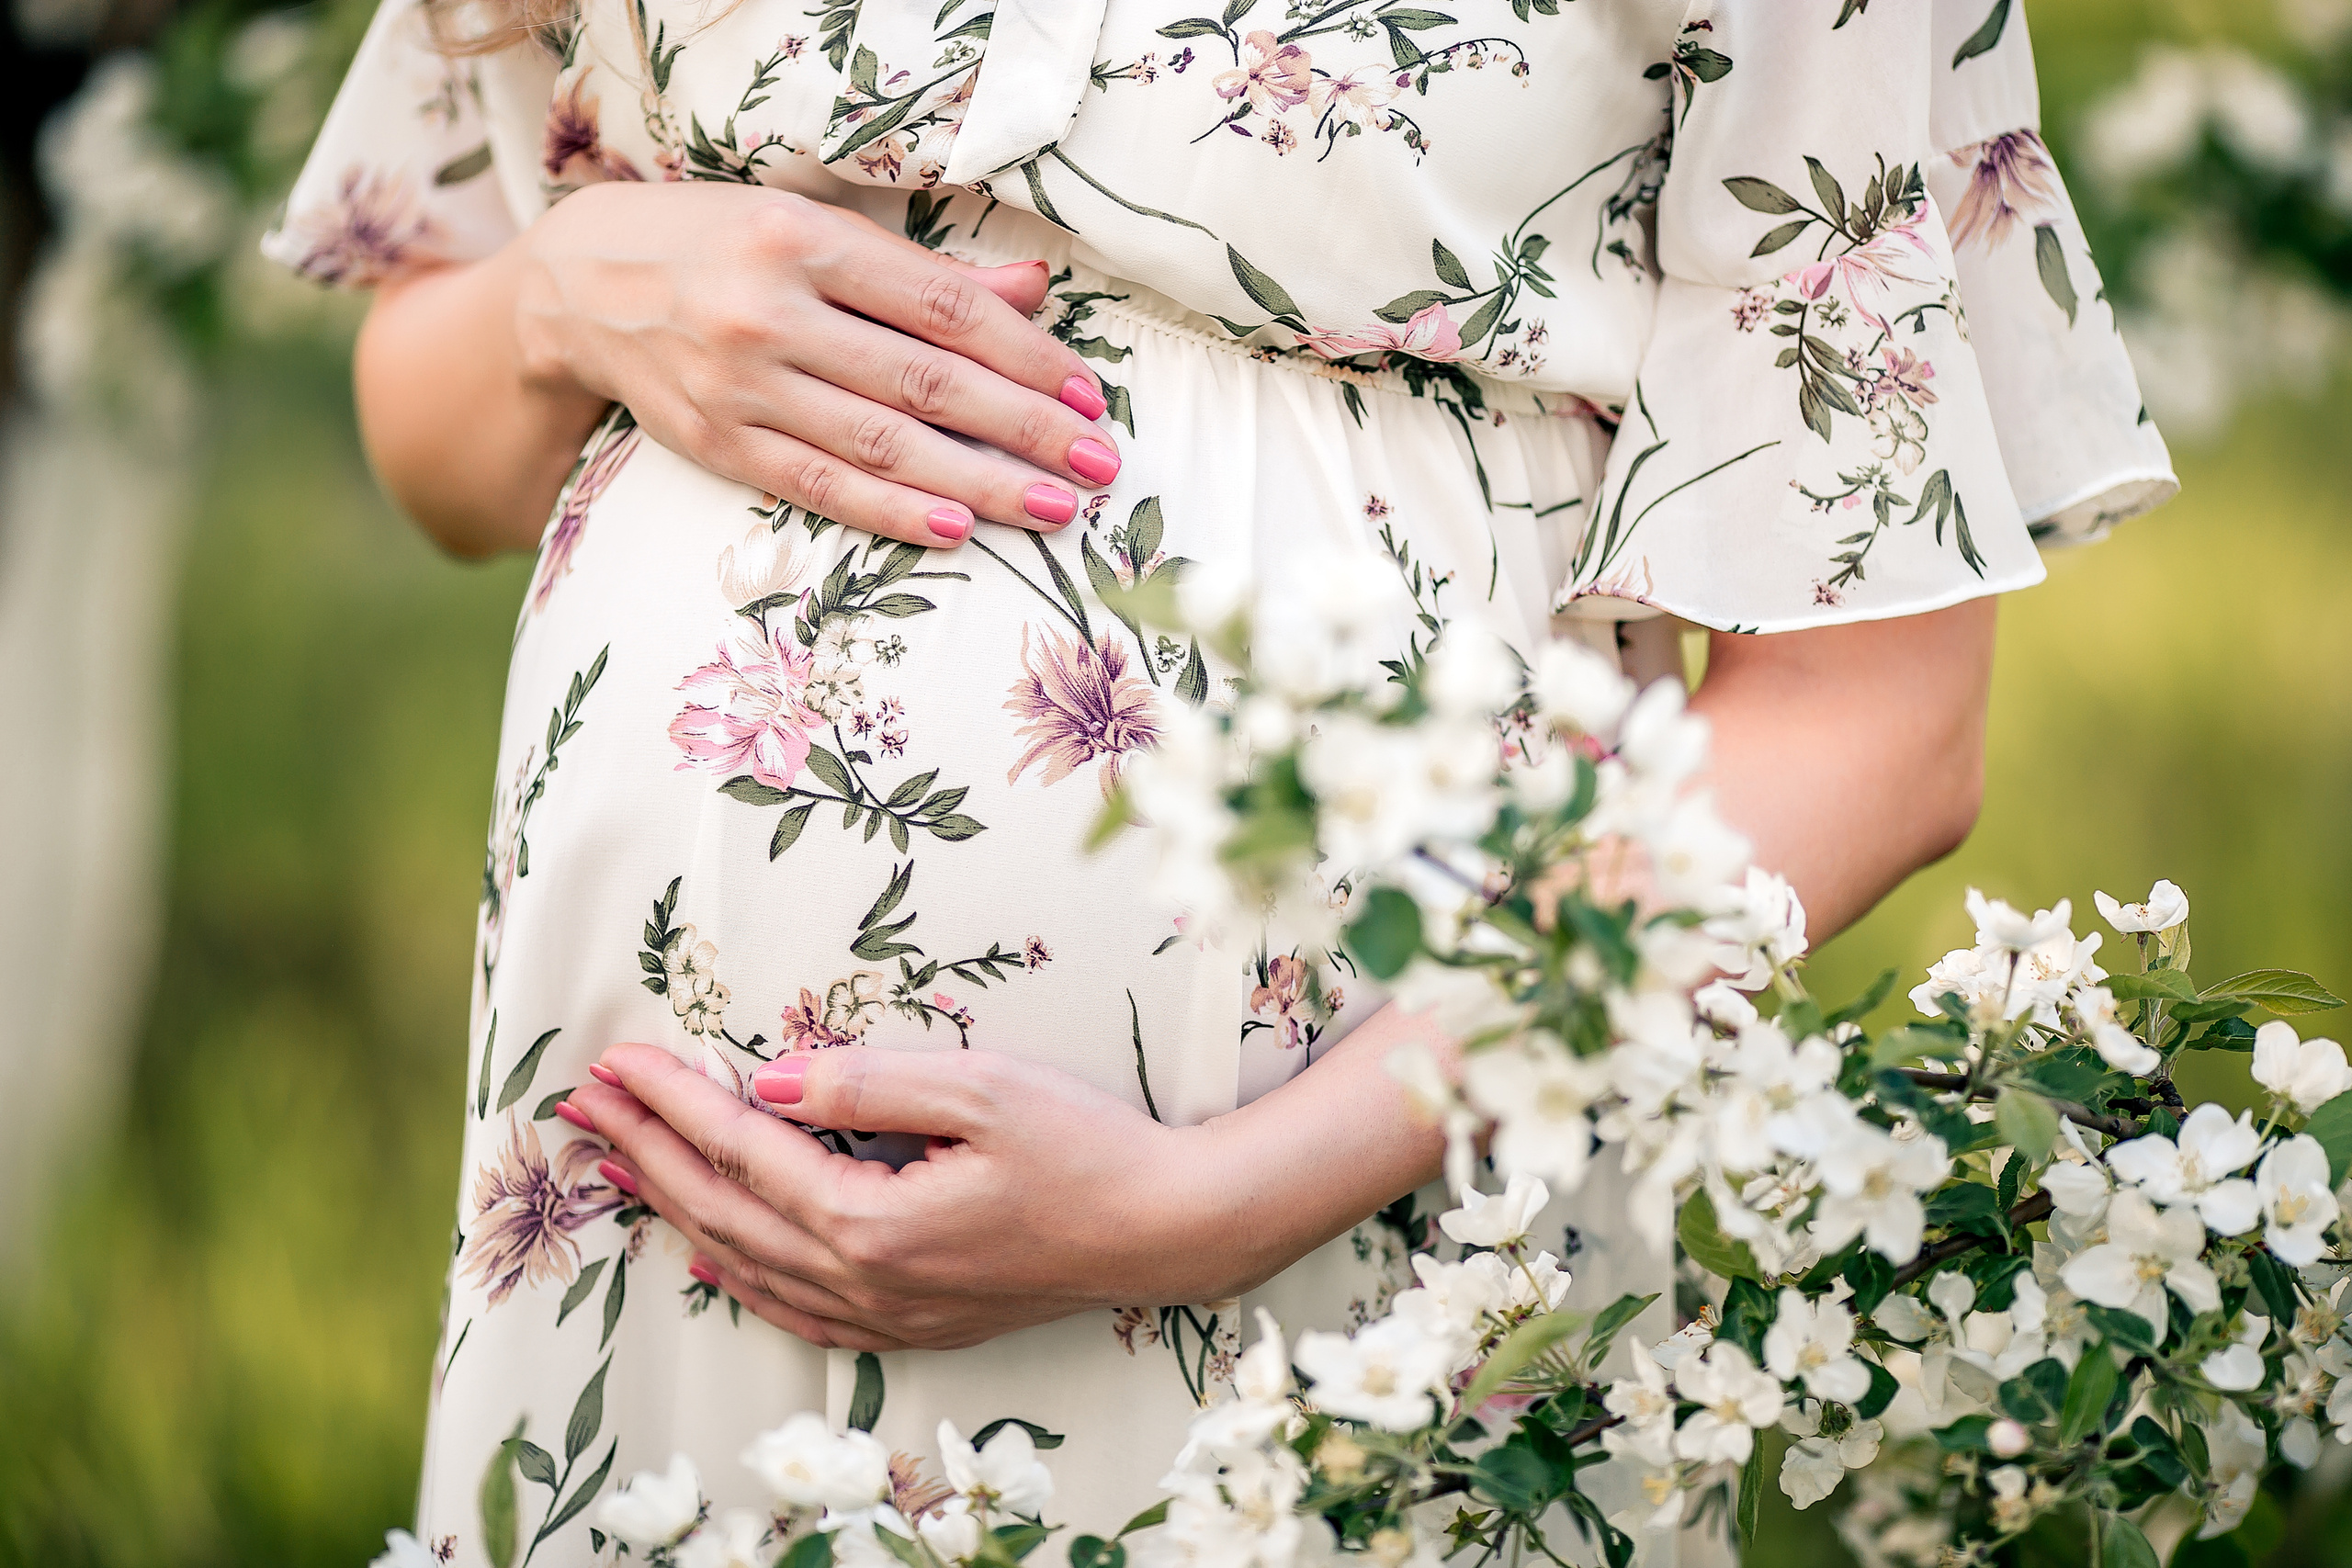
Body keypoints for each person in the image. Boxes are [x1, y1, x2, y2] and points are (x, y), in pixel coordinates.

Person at [267, 0, 2174, 1557]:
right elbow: (432, 425)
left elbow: (1874, 723)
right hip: (660, 1205)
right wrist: (559, 291)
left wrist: (1223, 1200)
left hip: (1361, 1209)